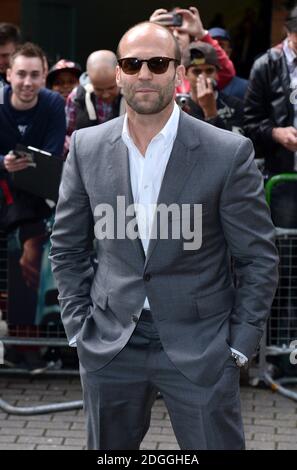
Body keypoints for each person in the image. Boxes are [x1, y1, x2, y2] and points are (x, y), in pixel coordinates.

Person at [50, 22, 279, 450]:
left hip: (204, 346)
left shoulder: (227, 152)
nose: (144, 74)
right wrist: (79, 328)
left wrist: (239, 345)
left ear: (178, 73)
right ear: (117, 73)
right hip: (111, 344)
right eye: (132, 64)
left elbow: (258, 258)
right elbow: (66, 246)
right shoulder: (85, 147)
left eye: (157, 63)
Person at [150, 6, 235, 93]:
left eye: (181, 32)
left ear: (191, 38)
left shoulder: (202, 68)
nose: (175, 35)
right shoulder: (150, 64)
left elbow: (227, 73)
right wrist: (148, 34)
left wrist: (202, 34)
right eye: (170, 31)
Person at [183, 41, 244, 133]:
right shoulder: (178, 107)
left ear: (217, 74)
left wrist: (211, 113)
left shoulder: (235, 106)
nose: (203, 77)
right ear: (185, 74)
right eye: (197, 72)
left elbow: (233, 145)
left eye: (209, 71)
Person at [208, 27, 248, 100]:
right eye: (210, 45)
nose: (215, 49)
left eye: (220, 45)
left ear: (229, 52)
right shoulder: (191, 84)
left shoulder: (245, 87)